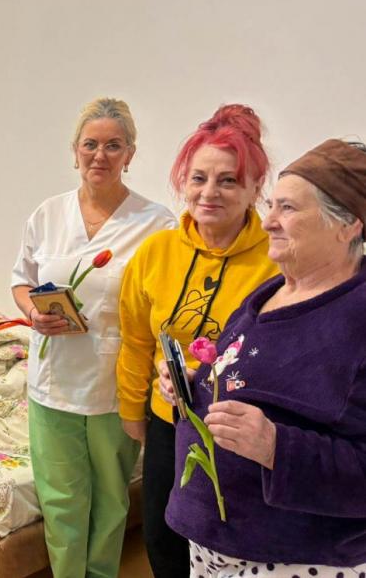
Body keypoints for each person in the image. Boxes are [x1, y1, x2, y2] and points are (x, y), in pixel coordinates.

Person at [161, 139, 366, 576]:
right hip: (214, 549)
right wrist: (193, 387)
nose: (268, 221)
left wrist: (276, 447)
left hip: (294, 562)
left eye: (287, 209)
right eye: (271, 205)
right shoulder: (271, 292)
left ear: (348, 224)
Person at [11, 97, 176, 577]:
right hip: (52, 383)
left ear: (130, 154)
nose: (99, 155)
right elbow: (21, 280)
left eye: (113, 145)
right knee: (60, 503)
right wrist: (32, 312)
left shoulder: (156, 223)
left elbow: (162, 306)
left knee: (109, 502)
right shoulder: (48, 214)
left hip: (114, 388)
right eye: (90, 144)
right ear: (75, 151)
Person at [115, 104, 279, 578]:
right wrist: (133, 412)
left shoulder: (276, 261)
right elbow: (135, 340)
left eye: (228, 181)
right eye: (198, 178)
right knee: (161, 536)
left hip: (240, 430)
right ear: (183, 182)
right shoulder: (156, 252)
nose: (209, 193)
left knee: (224, 544)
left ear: (255, 189)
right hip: (169, 421)